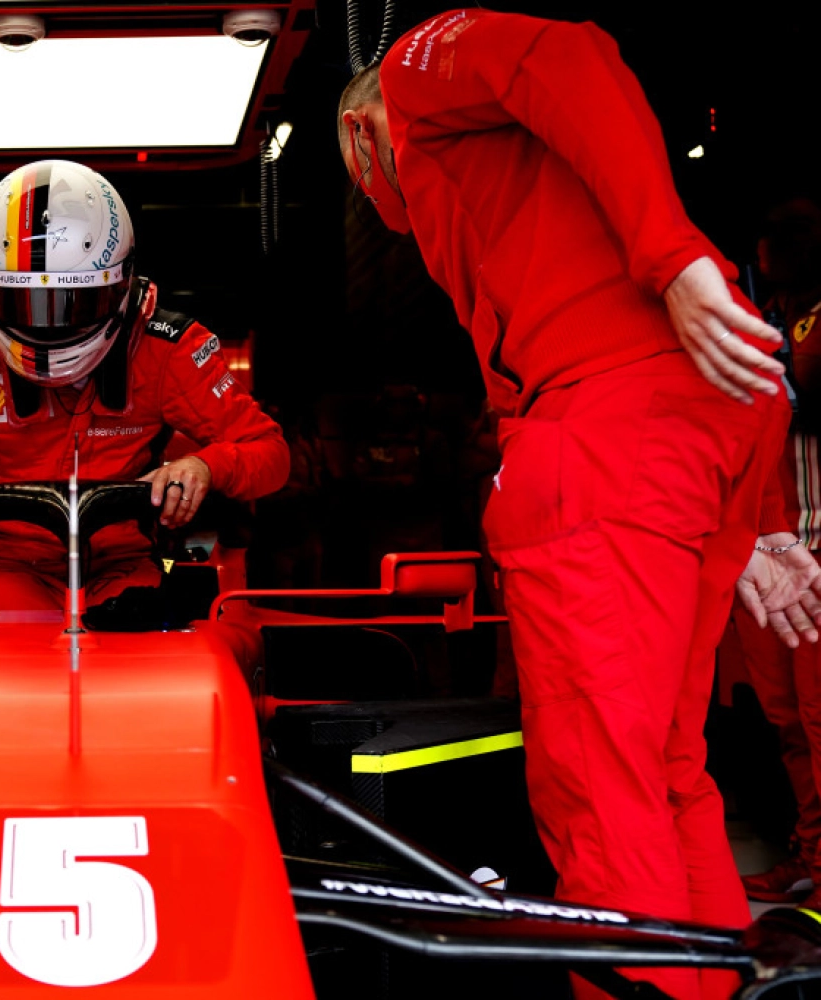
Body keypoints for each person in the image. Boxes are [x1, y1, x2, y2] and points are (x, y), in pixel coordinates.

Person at [337, 11, 821, 998]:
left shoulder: (411, 78)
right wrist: (762, 520)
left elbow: (562, 55)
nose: (380, 203)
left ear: (359, 135)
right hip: (703, 422)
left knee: (600, 789)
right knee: (666, 770)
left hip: (607, 430)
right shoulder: (502, 206)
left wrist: (669, 257)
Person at [0, 160, 288, 620]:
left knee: (142, 646)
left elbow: (270, 452)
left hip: (126, 561)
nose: (48, 323)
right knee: (0, 645)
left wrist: (205, 466)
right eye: (24, 300)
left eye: (71, 301)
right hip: (14, 565)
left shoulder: (168, 348)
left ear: (123, 283)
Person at [734, 198, 821, 906]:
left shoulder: (804, 326)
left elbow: (798, 397)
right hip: (766, 544)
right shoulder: (766, 319)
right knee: (786, 718)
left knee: (819, 719)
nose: (762, 258)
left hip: (816, 544)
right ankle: (813, 853)